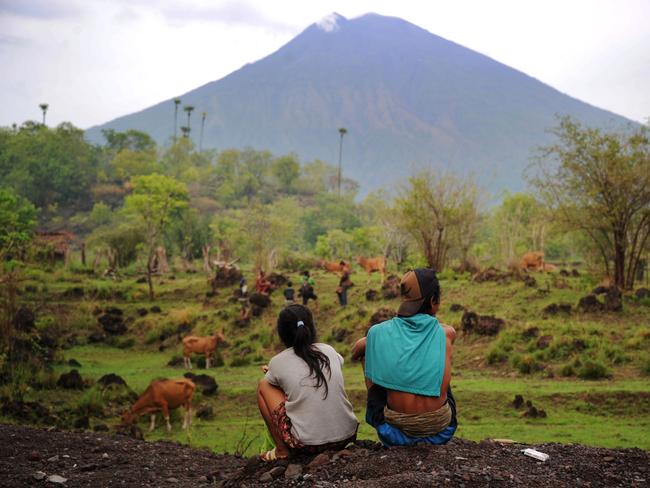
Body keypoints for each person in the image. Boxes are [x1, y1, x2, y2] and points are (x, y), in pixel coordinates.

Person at [351, 268, 457, 446]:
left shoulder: (377, 333)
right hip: (442, 432)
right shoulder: (447, 333)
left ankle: (389, 415)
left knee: (368, 355)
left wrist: (374, 341)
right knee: (438, 364)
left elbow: (356, 351)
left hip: (394, 434)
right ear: (433, 300)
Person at [257, 304, 358, 461]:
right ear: (311, 328)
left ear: (282, 334)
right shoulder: (328, 350)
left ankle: (282, 450)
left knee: (264, 385)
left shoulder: (277, 362)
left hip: (307, 444)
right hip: (346, 436)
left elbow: (275, 382)